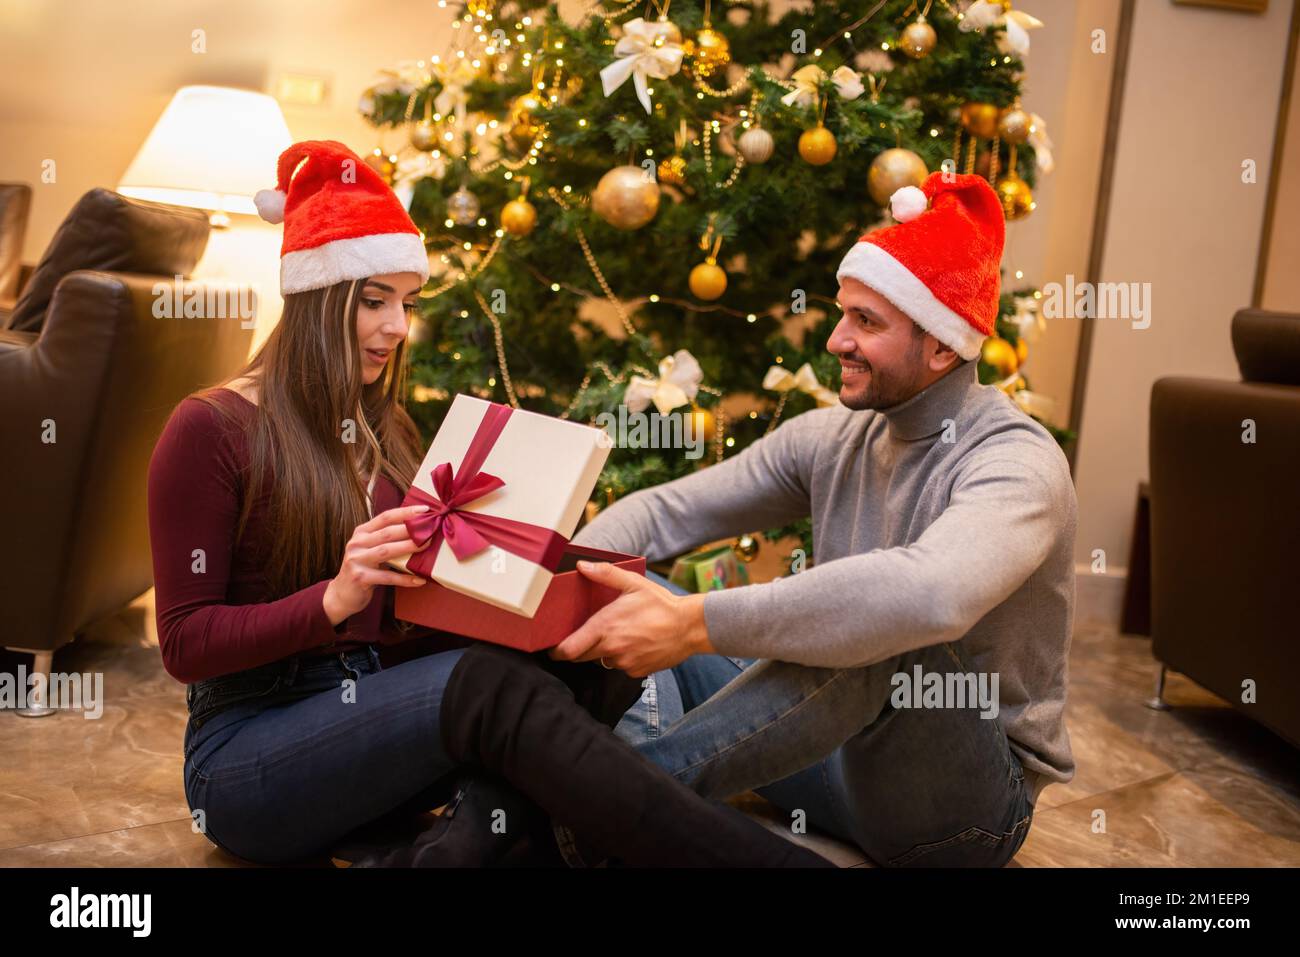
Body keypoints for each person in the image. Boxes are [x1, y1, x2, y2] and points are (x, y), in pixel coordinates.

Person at [146, 139, 828, 868]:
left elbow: (412, 617)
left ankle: (458, 847)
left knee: (590, 654)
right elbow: (186, 644)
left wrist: (524, 577)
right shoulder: (212, 427)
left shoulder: (386, 429)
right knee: (488, 690)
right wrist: (333, 599)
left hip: (379, 719)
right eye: (374, 301)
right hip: (249, 754)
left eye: (406, 304)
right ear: (318, 297)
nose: (397, 328)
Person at [558, 172, 1078, 867]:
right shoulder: (833, 436)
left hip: (961, 811)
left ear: (944, 346)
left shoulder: (1017, 461)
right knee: (639, 584)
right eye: (844, 313)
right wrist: (552, 572)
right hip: (829, 756)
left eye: (867, 322)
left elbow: (930, 595)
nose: (836, 339)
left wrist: (696, 624)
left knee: (889, 632)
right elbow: (667, 511)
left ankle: (609, 800)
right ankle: (621, 781)